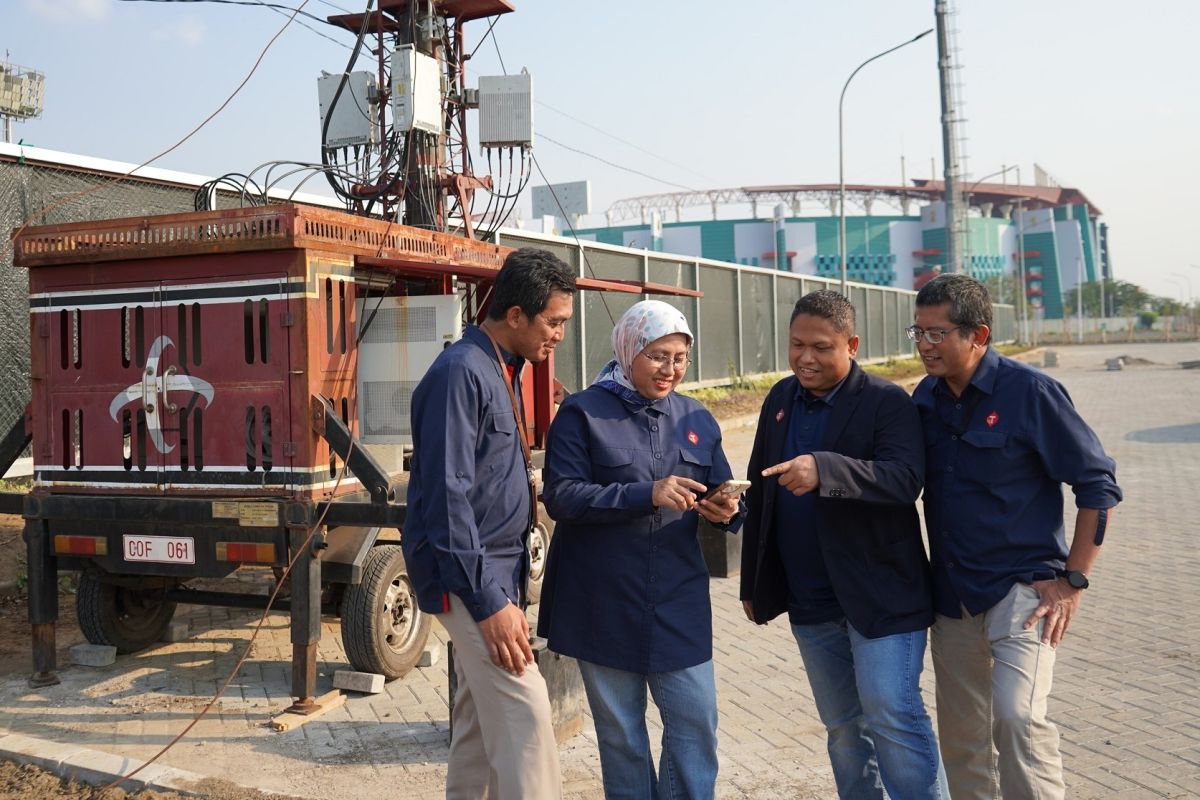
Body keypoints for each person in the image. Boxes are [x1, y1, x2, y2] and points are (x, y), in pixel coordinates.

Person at [911, 274, 1122, 800]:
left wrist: (1073, 581)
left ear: (978, 334)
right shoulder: (924, 399)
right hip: (952, 597)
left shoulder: (1031, 393)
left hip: (1023, 593)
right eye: (917, 332)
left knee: (1019, 718)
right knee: (962, 738)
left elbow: (1097, 486)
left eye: (937, 334)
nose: (924, 345)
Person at [740, 290, 948, 799]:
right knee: (843, 728)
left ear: (851, 345)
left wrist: (825, 469)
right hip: (811, 601)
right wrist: (751, 576)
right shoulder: (779, 401)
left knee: (892, 713)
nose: (805, 358)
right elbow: (761, 488)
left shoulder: (885, 401)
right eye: (796, 345)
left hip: (880, 598)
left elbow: (905, 479)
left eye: (821, 347)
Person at [537, 300, 742, 800]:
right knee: (622, 736)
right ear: (629, 350)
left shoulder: (697, 418)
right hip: (602, 601)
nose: (670, 369)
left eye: (679, 357)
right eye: (657, 356)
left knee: (696, 725)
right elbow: (561, 496)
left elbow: (724, 491)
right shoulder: (582, 413)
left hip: (677, 599)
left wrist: (728, 511)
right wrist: (643, 494)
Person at [403, 247, 576, 800]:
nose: (559, 336)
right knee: (527, 716)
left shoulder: (502, 368)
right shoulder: (461, 373)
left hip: (498, 574)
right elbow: (447, 501)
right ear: (516, 315)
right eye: (554, 322)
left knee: (477, 726)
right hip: (470, 580)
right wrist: (489, 604)